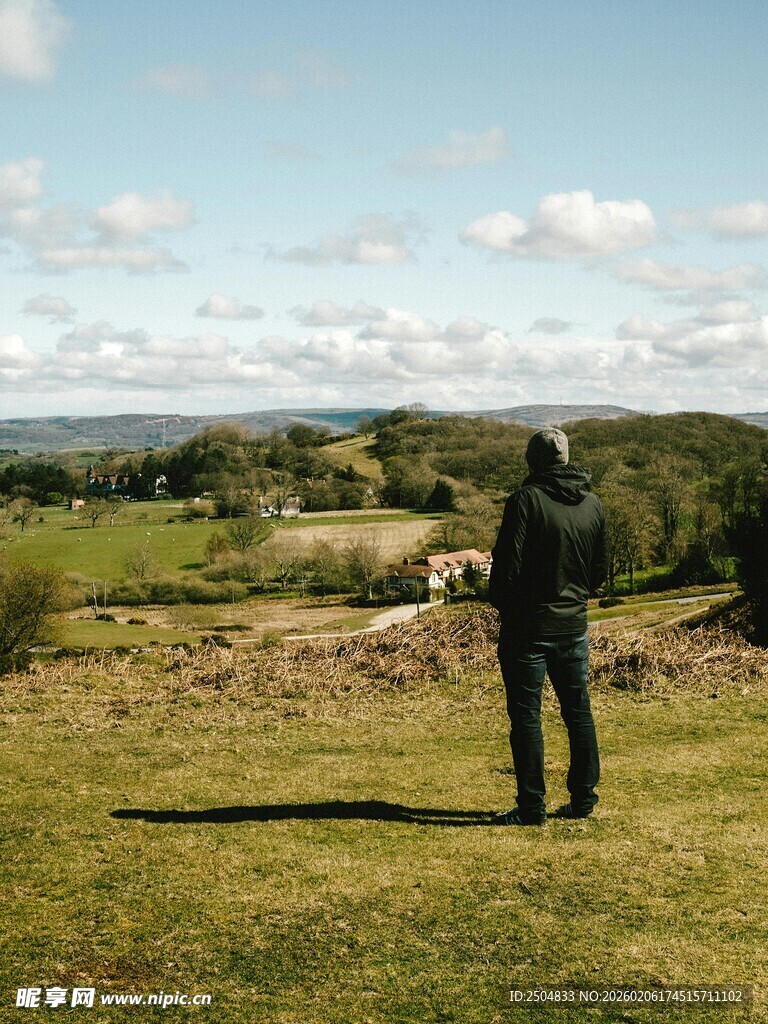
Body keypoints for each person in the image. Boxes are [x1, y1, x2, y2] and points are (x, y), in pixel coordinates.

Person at [489, 427, 608, 825]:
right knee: (578, 713)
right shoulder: (593, 503)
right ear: (566, 458)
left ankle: (532, 807)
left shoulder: (525, 500)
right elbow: (600, 570)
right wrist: (574, 600)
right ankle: (583, 801)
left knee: (527, 718)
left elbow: (506, 567)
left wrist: (508, 609)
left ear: (532, 460)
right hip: (574, 625)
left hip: (528, 629)